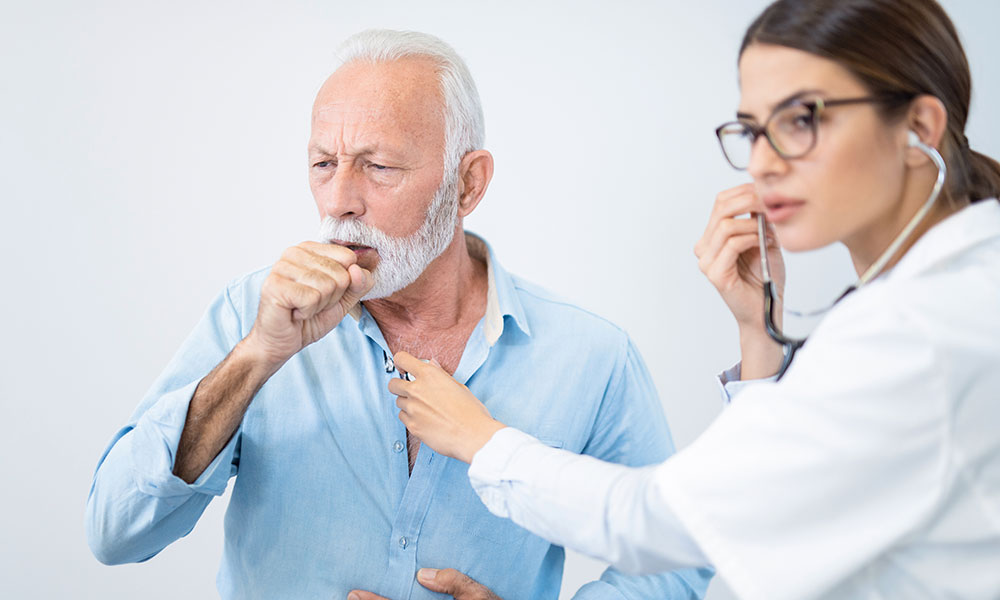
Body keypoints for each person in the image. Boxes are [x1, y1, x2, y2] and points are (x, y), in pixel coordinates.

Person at [387, 1, 1000, 599]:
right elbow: (766, 493)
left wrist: (478, 437)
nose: (763, 162)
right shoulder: (934, 299)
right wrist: (759, 332)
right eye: (754, 130)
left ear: (919, 128)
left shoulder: (923, 329)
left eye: (801, 121)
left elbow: (665, 524)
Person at [84, 29, 711, 600]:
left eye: (379, 167)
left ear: (467, 184)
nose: (339, 201)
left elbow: (675, 563)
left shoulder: (589, 354)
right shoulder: (250, 315)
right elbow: (116, 534)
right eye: (323, 164)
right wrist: (258, 357)